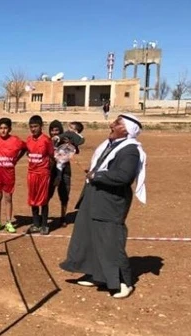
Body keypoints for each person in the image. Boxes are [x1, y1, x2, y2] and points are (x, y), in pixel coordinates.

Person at [60, 114, 146, 299]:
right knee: (89, 235)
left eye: (116, 123)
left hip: (110, 201)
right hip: (95, 196)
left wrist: (97, 176)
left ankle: (124, 281)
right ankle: (97, 274)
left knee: (110, 240)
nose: (111, 124)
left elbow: (124, 176)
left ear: (126, 129)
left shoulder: (130, 150)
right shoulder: (111, 145)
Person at [0, 117, 26, 233]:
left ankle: (9, 222)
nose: (3, 130)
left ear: (10, 129)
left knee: (8, 198)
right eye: (1, 128)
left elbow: (24, 148)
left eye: (5, 128)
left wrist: (16, 159)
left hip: (9, 173)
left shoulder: (15, 140)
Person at [47, 120, 83, 227]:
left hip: (65, 171)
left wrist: (71, 143)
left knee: (64, 195)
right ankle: (44, 215)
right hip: (51, 171)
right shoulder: (48, 140)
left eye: (57, 130)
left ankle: (63, 217)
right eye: (52, 130)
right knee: (48, 194)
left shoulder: (66, 140)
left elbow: (77, 149)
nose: (54, 132)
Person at [26, 115, 54, 235]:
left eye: (36, 126)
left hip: (43, 174)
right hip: (31, 174)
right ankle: (36, 224)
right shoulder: (28, 140)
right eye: (31, 127)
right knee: (33, 199)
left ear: (41, 126)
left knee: (43, 200)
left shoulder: (46, 140)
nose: (33, 129)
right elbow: (28, 153)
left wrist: (49, 171)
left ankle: (44, 224)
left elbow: (52, 157)